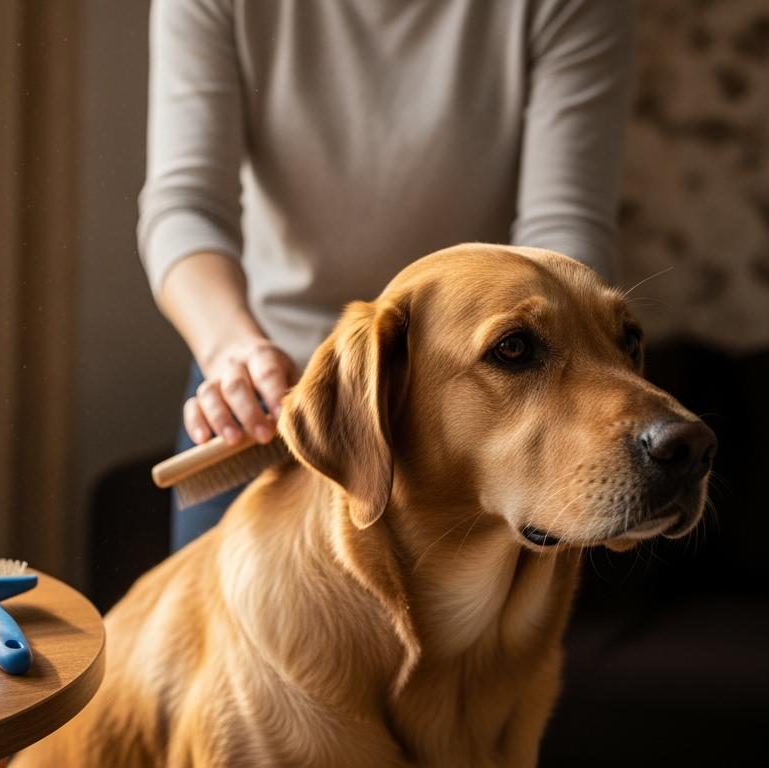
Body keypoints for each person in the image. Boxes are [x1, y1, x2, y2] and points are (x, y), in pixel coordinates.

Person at [139, 0, 636, 551]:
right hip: (269, 394)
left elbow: (563, 225)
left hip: (481, 408)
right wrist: (231, 348)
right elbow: (186, 206)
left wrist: (515, 347)